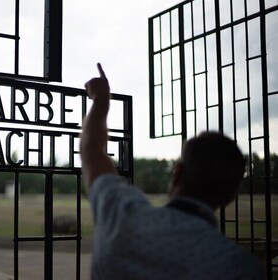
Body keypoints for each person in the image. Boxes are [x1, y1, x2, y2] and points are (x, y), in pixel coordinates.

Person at [80, 63, 264, 279]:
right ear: (231, 197)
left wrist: (101, 99)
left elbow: (91, 148)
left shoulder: (123, 215)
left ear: (177, 173)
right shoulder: (240, 267)